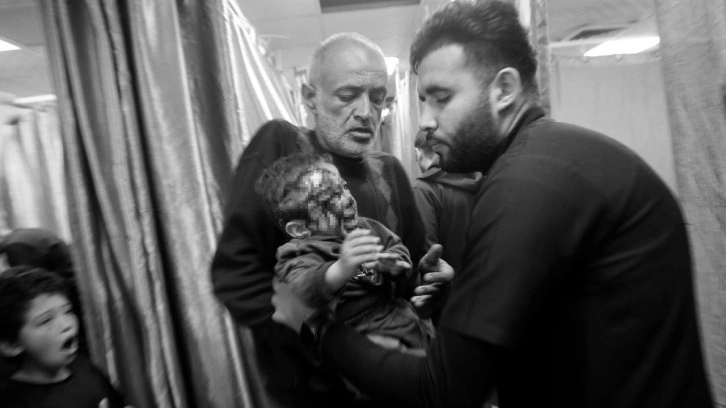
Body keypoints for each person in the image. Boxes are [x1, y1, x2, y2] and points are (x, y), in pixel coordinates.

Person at [270, 2, 714, 407]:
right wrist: (464, 294)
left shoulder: (528, 183)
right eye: (423, 102)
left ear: (504, 89)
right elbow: (568, 317)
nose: (425, 123)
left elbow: (440, 390)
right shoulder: (557, 157)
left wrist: (319, 328)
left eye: (442, 98)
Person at [211, 32, 451, 406]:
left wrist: (430, 282)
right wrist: (339, 344)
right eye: (347, 95)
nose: (365, 112)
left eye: (377, 98)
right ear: (310, 97)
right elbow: (237, 277)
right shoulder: (281, 147)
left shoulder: (390, 172)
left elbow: (409, 281)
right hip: (311, 393)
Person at [0, 266, 127, 407]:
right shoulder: (13, 401)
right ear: (11, 345)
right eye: (46, 320)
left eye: (68, 311)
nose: (67, 324)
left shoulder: (83, 365)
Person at [413, 131, 482, 274]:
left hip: (446, 281)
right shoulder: (480, 179)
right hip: (482, 278)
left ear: (417, 153)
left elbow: (428, 253)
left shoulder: (425, 189)